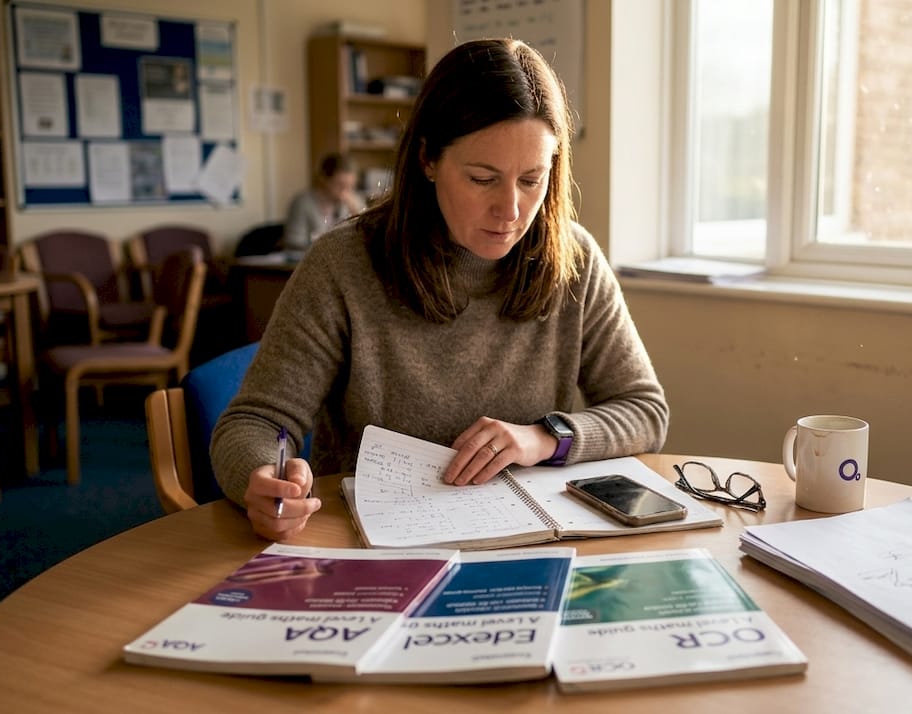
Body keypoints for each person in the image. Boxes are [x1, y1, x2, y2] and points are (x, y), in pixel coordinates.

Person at [211, 38, 669, 541]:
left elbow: (644, 410)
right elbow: (255, 421)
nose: (511, 210)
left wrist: (545, 437)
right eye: (482, 178)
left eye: (532, 180)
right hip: (369, 543)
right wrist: (260, 476)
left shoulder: (573, 259)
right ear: (428, 158)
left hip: (527, 540)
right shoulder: (343, 264)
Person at [282, 152, 366, 251]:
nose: (345, 191)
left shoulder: (355, 201)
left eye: (350, 186)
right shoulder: (303, 203)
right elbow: (294, 242)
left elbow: (367, 237)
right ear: (324, 179)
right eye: (340, 185)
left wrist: (356, 212)